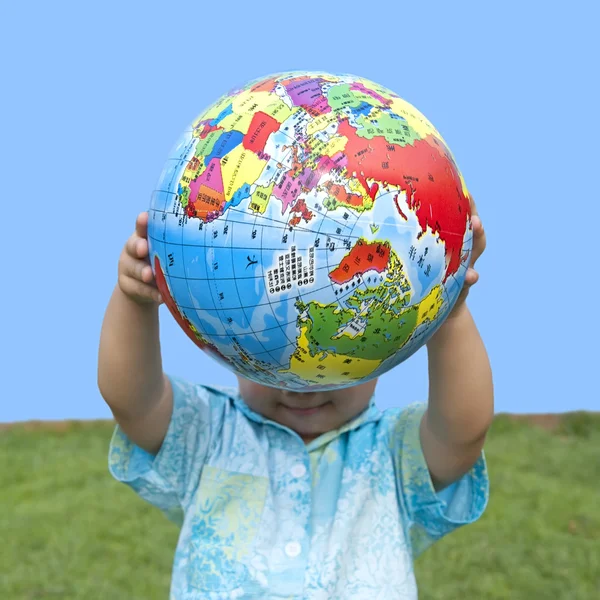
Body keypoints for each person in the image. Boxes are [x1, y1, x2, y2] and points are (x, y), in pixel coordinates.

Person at [98, 204, 493, 600]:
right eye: (273, 355)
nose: (302, 386)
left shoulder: (392, 453)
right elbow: (135, 403)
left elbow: (461, 435)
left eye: (340, 356)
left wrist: (449, 311)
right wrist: (134, 301)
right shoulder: (209, 433)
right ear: (232, 344)